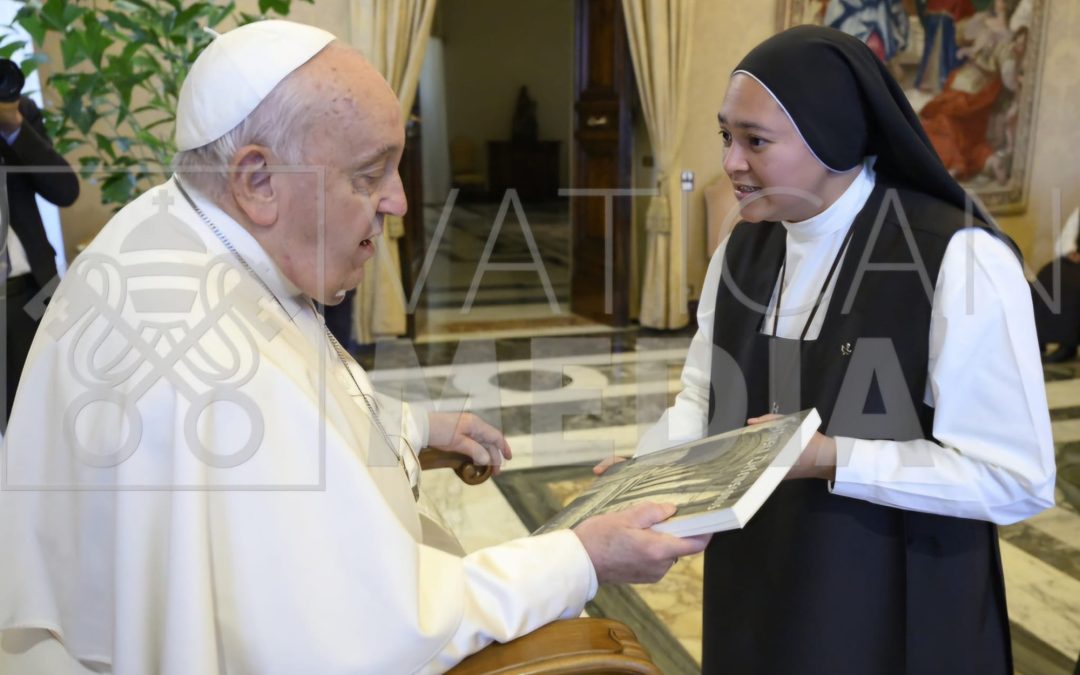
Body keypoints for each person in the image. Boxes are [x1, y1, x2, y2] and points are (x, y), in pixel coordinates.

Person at [0, 20, 707, 675]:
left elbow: (302, 395)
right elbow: (376, 629)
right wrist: (581, 556)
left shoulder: (168, 228)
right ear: (256, 180)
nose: (398, 202)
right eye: (370, 175)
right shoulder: (206, 350)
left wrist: (419, 426)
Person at [606, 24, 1054, 675]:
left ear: (834, 138)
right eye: (726, 136)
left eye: (755, 141)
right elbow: (705, 395)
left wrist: (831, 457)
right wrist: (647, 473)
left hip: (893, 596)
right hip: (758, 576)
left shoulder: (956, 259)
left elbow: (1018, 478)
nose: (731, 161)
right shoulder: (744, 245)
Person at [0, 62, 80, 430]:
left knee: (61, 415)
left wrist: (15, 128)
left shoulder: (19, 114)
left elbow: (65, 190)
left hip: (34, 293)